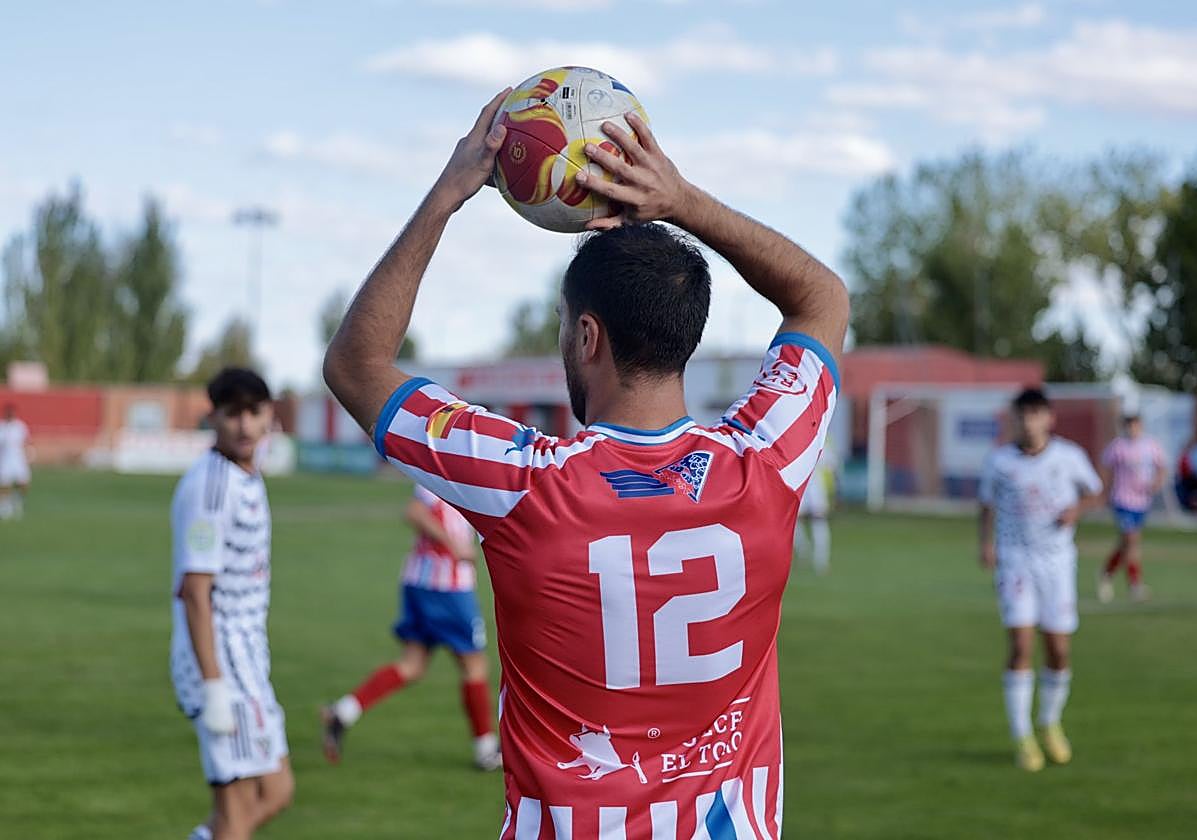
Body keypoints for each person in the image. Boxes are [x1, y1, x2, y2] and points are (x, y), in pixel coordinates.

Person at [322, 89, 848, 837]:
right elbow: (821, 298)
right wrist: (681, 199)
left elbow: (356, 362)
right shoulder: (768, 462)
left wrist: (447, 194)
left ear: (589, 338)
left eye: (565, 327)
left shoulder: (524, 483)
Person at [170, 369, 293, 840]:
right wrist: (214, 685)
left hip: (246, 659)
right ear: (213, 418)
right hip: (220, 660)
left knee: (276, 791)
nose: (244, 425)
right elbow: (195, 592)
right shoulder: (212, 486)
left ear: (269, 417)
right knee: (236, 814)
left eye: (254, 412)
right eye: (232, 414)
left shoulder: (245, 475)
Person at [321, 484, 501, 771]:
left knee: (412, 665)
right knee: (474, 666)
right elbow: (415, 511)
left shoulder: (452, 467)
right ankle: (485, 749)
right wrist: (453, 544)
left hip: (419, 581)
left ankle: (343, 712)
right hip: (446, 588)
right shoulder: (444, 471)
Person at [978, 388, 1103, 772]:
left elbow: (1095, 493)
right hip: (1016, 562)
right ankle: (1022, 736)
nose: (1029, 421)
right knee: (1020, 646)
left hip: (1058, 564)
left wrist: (1076, 510)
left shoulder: (1068, 457)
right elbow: (987, 504)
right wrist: (986, 543)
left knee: (1059, 650)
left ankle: (1049, 722)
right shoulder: (999, 461)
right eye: (1022, 414)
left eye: (1036, 414)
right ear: (1014, 418)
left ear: (1049, 418)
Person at [1097, 413, 1166, 603]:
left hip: (1142, 502)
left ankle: (1106, 573)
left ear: (1140, 425)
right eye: (1128, 425)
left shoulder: (1150, 445)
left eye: (1135, 425)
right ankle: (1135, 585)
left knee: (1128, 544)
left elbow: (1162, 467)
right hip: (1122, 500)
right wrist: (1105, 492)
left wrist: (1156, 483)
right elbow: (1106, 468)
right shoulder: (1118, 446)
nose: (1132, 429)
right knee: (1131, 539)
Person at [794, 440, 839, 574]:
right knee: (793, 522)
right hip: (801, 486)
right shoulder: (799, 438)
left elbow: (832, 468)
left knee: (819, 522)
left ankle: (821, 560)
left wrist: (835, 492)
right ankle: (803, 552)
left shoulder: (823, 440)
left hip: (816, 490)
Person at [0, 403, 31, 520]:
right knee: (5, 485)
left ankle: (17, 502)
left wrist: (29, 453)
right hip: (5, 460)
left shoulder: (20, 426)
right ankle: (4, 507)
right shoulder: (1, 427)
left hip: (19, 460)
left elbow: (26, 441)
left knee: (24, 483)